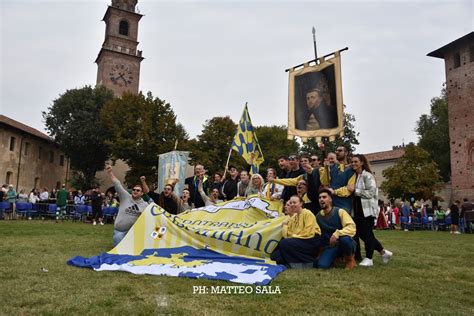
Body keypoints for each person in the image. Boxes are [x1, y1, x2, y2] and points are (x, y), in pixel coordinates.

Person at [350, 154, 392, 267]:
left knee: (367, 234)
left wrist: (356, 191)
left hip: (367, 211)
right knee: (364, 235)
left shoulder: (367, 176)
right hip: (358, 210)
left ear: (362, 163)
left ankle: (369, 258)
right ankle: (383, 252)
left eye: (356, 162)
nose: (353, 164)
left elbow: (371, 193)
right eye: (352, 162)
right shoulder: (356, 176)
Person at [270, 195, 321, 269]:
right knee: (275, 256)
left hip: (311, 240)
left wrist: (293, 237)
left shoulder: (307, 213)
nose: (292, 205)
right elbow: (286, 235)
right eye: (291, 203)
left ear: (300, 203)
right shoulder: (293, 217)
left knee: (284, 243)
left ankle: (308, 263)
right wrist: (285, 227)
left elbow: (308, 233)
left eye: (294, 202)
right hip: (298, 239)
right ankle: (294, 262)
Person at [106, 165, 149, 246]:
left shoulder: (145, 205)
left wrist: (143, 182)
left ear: (142, 193)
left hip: (133, 233)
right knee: (119, 251)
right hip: (120, 231)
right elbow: (117, 183)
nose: (135, 191)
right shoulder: (125, 196)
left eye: (138, 190)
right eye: (134, 190)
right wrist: (110, 172)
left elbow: (153, 213)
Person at [315, 189, 357, 269]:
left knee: (345, 239)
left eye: (324, 197)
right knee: (322, 265)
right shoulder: (318, 216)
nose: (321, 199)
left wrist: (337, 234)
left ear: (330, 199)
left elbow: (351, 227)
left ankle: (350, 259)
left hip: (344, 242)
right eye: (319, 198)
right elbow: (319, 234)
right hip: (331, 246)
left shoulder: (340, 212)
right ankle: (335, 258)